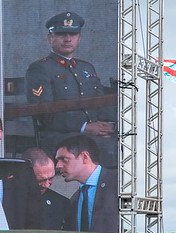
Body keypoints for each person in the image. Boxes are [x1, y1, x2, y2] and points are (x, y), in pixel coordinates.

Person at [25, 11, 117, 167]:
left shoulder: (86, 67)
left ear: (79, 38)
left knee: (128, 143)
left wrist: (110, 125)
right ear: (50, 38)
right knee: (107, 149)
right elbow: (44, 113)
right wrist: (84, 127)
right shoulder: (40, 68)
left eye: (73, 34)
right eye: (61, 34)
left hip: (93, 133)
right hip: (61, 135)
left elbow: (101, 104)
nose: (68, 39)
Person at [55, 135, 118, 233]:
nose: (58, 165)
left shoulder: (118, 182)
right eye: (57, 160)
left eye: (64, 159)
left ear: (84, 157)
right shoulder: (74, 200)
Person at [23, 147, 68, 230]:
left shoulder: (61, 203)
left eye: (51, 178)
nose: (47, 185)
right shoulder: (10, 200)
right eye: (41, 180)